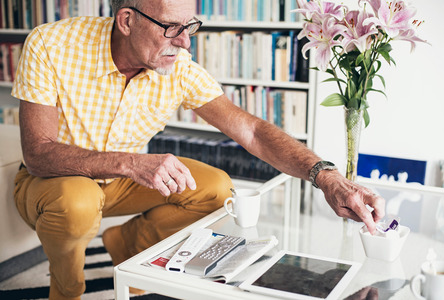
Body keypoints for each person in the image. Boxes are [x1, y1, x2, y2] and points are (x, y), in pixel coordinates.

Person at [11, 0, 385, 299]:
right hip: (55, 181)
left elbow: (252, 131)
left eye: (190, 27)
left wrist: (328, 177)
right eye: (172, 28)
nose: (185, 41)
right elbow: (38, 152)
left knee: (218, 190)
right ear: (126, 20)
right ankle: (67, 289)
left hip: (120, 186)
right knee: (77, 204)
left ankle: (125, 245)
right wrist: (130, 162)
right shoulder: (51, 44)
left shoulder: (180, 70)